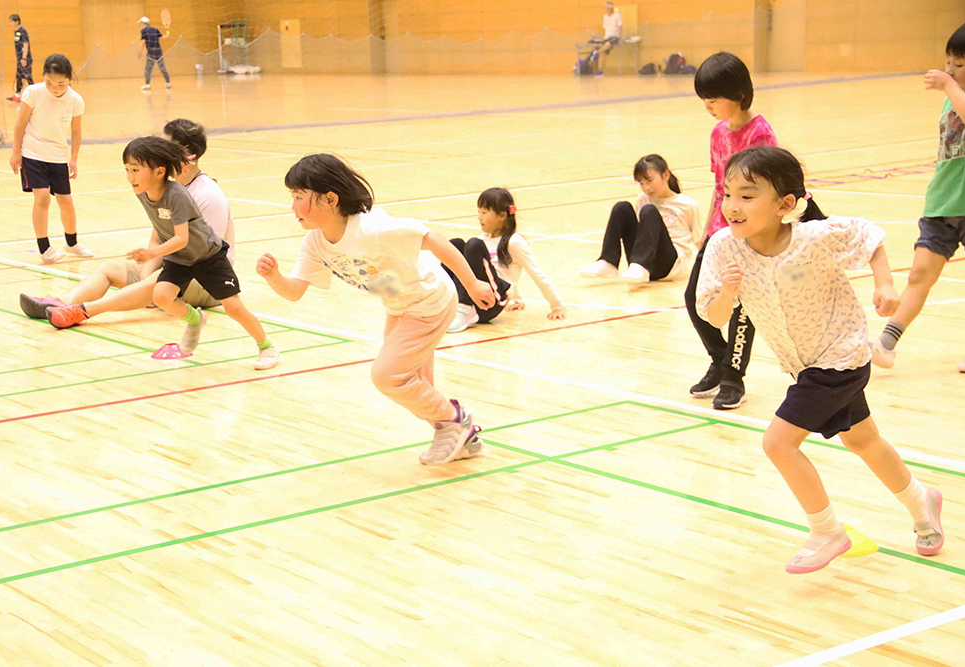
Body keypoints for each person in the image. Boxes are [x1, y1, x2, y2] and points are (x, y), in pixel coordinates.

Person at [696, 146, 944, 574]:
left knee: (777, 442)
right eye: (727, 193)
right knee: (862, 440)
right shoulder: (723, 248)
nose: (732, 206)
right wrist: (728, 295)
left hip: (841, 356)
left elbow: (870, 236)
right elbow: (714, 318)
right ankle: (923, 503)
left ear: (785, 205)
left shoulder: (814, 238)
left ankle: (827, 531)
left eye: (747, 195)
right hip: (803, 364)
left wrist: (885, 286)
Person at [256, 153, 496, 465]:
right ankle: (460, 438)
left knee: (388, 376)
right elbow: (294, 292)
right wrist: (275, 277)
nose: (293, 206)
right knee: (415, 385)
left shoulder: (372, 229)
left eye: (299, 196)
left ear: (330, 199)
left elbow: (433, 239)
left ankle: (455, 420)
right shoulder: (315, 242)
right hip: (399, 306)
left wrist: (474, 283)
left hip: (428, 301)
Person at [52, 136, 277, 369]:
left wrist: (151, 254)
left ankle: (266, 346)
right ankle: (195, 319)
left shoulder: (176, 195)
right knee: (161, 296)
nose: (130, 176)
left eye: (136, 170)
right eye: (127, 169)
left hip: (208, 257)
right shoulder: (143, 192)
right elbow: (161, 229)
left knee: (234, 307)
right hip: (180, 259)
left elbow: (181, 238)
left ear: (159, 172)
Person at [22, 119, 232, 325]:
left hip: (208, 280)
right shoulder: (163, 189)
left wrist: (156, 277)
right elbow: (157, 239)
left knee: (159, 280)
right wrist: (145, 273)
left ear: (184, 154)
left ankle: (82, 312)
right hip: (172, 266)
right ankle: (62, 303)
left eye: (165, 144)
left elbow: (204, 256)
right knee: (109, 269)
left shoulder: (207, 195)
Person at [870, 22, 965, 373]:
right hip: (943, 203)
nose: (950, 70)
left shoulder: (953, 91)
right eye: (948, 62)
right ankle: (886, 344)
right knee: (919, 274)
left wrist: (951, 85)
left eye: (960, 64)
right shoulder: (950, 96)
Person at [685, 51, 777, 410]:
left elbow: (766, 191)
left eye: (713, 98)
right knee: (696, 300)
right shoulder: (717, 134)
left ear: (738, 93)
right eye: (703, 99)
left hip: (749, 234)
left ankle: (733, 378)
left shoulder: (760, 134)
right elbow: (719, 184)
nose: (707, 105)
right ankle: (719, 361)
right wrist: (706, 229)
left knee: (741, 309)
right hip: (719, 233)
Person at [9, 54, 93, 264]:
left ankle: (71, 242)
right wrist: (16, 152)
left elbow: (76, 131)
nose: (55, 87)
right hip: (32, 153)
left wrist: (73, 159)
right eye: (49, 82)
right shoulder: (33, 92)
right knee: (43, 197)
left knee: (66, 201)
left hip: (58, 155)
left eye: (61, 84)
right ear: (43, 78)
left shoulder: (75, 100)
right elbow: (20, 123)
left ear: (70, 80)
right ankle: (44, 248)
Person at [445, 187, 566, 332]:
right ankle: (443, 301)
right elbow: (494, 271)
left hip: (490, 303)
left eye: (484, 212)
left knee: (473, 245)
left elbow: (536, 273)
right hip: (477, 293)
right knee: (455, 245)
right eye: (479, 212)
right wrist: (517, 298)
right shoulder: (482, 239)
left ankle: (464, 309)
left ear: (502, 215)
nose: (479, 217)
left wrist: (557, 306)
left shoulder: (514, 242)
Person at [580, 154, 702, 285]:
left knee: (649, 210)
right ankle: (609, 261)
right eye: (641, 183)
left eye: (649, 181)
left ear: (666, 175)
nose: (646, 187)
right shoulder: (642, 199)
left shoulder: (687, 204)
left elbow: (699, 240)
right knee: (622, 207)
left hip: (670, 264)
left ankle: (641, 265)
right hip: (646, 261)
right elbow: (642, 235)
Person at [138, 16, 171, 91]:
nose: (141, 25)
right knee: (163, 68)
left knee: (148, 69)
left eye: (141, 23)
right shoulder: (155, 29)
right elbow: (164, 37)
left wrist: (140, 51)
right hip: (158, 52)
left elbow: (143, 42)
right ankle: (168, 83)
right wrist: (168, 33)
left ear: (144, 23)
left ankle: (147, 85)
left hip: (151, 53)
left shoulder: (143, 31)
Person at [7, 14, 33, 103]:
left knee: (28, 77)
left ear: (17, 21)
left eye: (11, 21)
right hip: (20, 59)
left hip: (25, 59)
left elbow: (25, 45)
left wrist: (24, 58)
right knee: (19, 76)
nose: (10, 23)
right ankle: (17, 95)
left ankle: (37, 95)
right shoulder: (16, 31)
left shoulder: (22, 31)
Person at [592, 1, 622, 76]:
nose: (605, 9)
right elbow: (606, 28)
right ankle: (600, 71)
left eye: (606, 7)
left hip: (615, 36)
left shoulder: (617, 15)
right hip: (607, 37)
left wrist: (620, 38)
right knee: (603, 51)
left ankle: (597, 52)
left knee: (608, 44)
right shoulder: (605, 17)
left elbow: (620, 27)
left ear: (610, 8)